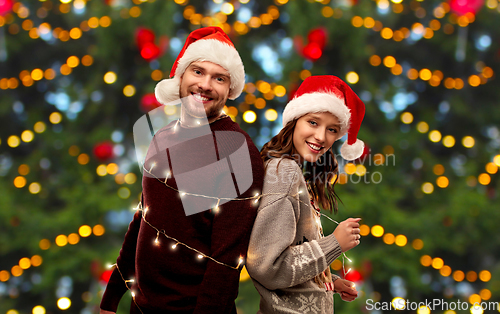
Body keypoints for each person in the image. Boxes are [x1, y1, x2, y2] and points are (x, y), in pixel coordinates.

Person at [100, 27, 265, 314]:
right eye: (198, 72)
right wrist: (113, 296)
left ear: (230, 89)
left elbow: (226, 259)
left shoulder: (236, 151)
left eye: (219, 78)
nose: (205, 84)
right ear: (181, 77)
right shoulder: (162, 136)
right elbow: (143, 218)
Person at [246, 75, 365, 313]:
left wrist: (325, 280)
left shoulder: (295, 172)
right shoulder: (285, 171)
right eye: (313, 122)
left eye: (332, 129)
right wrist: (334, 243)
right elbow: (267, 265)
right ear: (294, 121)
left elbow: (292, 253)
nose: (321, 137)